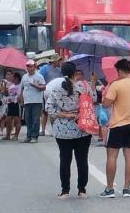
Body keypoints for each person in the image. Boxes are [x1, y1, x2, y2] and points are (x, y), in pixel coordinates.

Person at [97, 58, 130, 198]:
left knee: (112, 156)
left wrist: (107, 92)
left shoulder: (116, 85)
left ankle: (109, 188)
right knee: (129, 156)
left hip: (117, 124)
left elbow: (106, 104)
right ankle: (127, 188)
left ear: (119, 71)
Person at [46, 62, 95, 199]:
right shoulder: (83, 87)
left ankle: (65, 190)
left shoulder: (55, 88)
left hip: (62, 129)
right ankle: (82, 190)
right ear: (75, 73)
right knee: (82, 160)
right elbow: (93, 101)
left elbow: (49, 108)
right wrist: (92, 83)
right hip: (82, 128)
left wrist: (65, 114)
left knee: (65, 160)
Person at [20, 60, 46, 143]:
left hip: (36, 101)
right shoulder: (24, 77)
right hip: (27, 101)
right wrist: (21, 98)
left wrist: (35, 86)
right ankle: (29, 135)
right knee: (28, 119)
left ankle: (34, 136)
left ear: (34, 66)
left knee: (35, 119)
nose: (29, 67)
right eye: (27, 66)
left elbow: (44, 87)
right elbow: (22, 88)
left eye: (30, 66)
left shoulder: (39, 76)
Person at [40, 55, 63, 136]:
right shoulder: (45, 68)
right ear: (54, 61)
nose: (59, 62)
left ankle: (54, 129)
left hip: (56, 93)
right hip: (46, 92)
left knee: (54, 111)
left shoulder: (59, 70)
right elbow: (40, 78)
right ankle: (42, 130)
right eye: (58, 60)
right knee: (44, 111)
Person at [5, 72, 22, 140]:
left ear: (17, 78)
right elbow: (7, 94)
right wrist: (4, 86)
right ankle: (7, 135)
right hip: (10, 103)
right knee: (8, 120)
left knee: (17, 120)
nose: (12, 79)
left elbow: (21, 95)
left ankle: (16, 135)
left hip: (17, 104)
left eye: (13, 77)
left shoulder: (21, 86)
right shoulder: (11, 86)